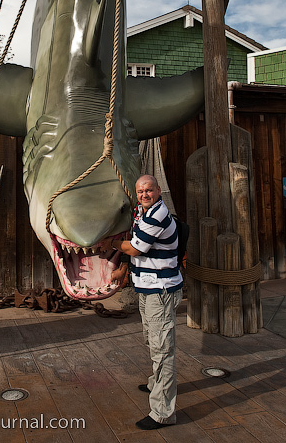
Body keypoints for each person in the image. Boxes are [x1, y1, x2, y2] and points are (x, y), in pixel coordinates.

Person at [100, 174, 182, 430]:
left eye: (149, 190)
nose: (145, 194)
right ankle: (155, 383)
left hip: (161, 291)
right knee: (151, 338)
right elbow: (134, 244)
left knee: (162, 349)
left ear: (159, 190)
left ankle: (163, 412)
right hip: (147, 289)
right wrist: (124, 269)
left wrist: (108, 243)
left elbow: (136, 248)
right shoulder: (141, 211)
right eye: (140, 191)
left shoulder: (157, 215)